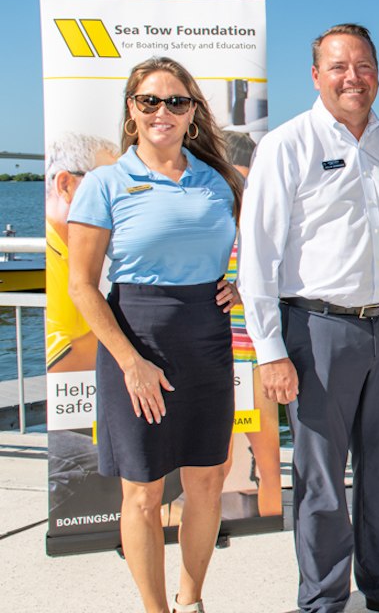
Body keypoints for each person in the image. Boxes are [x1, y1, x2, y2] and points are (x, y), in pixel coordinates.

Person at [237, 24, 379, 613]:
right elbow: (259, 257)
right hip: (316, 329)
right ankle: (323, 600)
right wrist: (269, 350)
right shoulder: (286, 145)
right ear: (316, 75)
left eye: (364, 65)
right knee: (322, 476)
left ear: (378, 72)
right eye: (338, 66)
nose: (353, 77)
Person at [66, 57, 243, 613]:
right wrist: (130, 362)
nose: (162, 111)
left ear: (192, 113)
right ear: (131, 110)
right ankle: (155, 609)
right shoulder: (105, 183)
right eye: (149, 101)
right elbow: (81, 286)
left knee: (208, 481)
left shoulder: (218, 181)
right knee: (142, 494)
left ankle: (191, 601)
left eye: (176, 101)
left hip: (207, 343)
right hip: (134, 343)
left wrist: (240, 288)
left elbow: (254, 252)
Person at [221, 130, 283, 518]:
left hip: (258, 358)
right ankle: (207, 523)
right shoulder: (210, 223)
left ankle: (270, 517)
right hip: (218, 358)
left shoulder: (264, 222)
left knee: (268, 460)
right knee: (217, 458)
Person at [45, 131, 118, 373]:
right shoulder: (52, 258)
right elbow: (62, 361)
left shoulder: (82, 247)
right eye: (106, 184)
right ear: (65, 184)